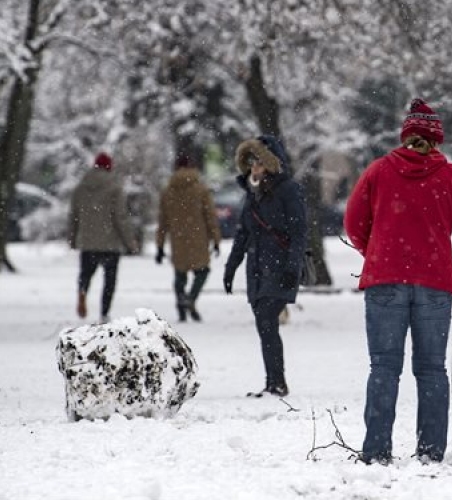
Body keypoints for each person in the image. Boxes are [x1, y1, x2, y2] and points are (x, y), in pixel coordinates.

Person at [343, 98, 452, 465]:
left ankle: (376, 451)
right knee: (431, 369)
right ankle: (429, 451)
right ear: (436, 140)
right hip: (434, 284)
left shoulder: (378, 171)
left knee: (383, 367)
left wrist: (378, 254)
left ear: (406, 136)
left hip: (385, 282)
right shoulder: (450, 176)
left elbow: (353, 224)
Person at [223, 135, 307, 398]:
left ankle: (277, 382)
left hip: (279, 266)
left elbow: (298, 232)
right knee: (264, 323)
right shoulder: (252, 193)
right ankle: (274, 381)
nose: (254, 169)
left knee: (267, 320)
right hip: (257, 268)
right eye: (251, 164)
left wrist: (293, 267)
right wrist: (231, 266)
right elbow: (243, 233)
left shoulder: (288, 190)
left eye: (259, 163)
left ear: (272, 164)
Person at [68, 152, 139, 323]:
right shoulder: (115, 188)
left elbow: (73, 215)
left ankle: (83, 290)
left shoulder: (81, 187)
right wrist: (130, 242)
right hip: (110, 242)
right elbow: (120, 217)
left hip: (87, 241)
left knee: (86, 273)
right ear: (109, 167)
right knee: (109, 279)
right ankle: (104, 312)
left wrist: (72, 238)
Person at [155, 155, 222, 322]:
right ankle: (191, 298)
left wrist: (160, 245)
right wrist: (216, 239)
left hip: (178, 240)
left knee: (180, 274)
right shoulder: (201, 189)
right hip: (198, 238)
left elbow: (163, 221)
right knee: (202, 271)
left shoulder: (168, 191)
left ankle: (181, 303)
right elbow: (210, 217)